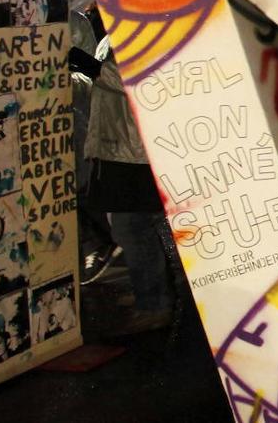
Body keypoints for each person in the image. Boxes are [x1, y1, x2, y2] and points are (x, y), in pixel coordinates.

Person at [80, 35, 176, 335]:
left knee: (133, 228)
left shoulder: (142, 28)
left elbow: (147, 84)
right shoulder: (113, 34)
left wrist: (96, 70)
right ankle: (150, 292)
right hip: (119, 146)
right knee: (130, 227)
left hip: (135, 150)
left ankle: (155, 302)